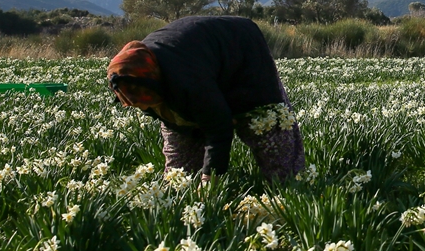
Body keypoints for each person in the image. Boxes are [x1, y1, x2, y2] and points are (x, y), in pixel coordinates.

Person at [107, 16, 304, 181]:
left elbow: (219, 130)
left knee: (268, 132)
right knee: (181, 172)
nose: (142, 106)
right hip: (200, 58)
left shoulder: (187, 82)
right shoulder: (131, 76)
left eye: (146, 101)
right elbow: (170, 120)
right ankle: (182, 197)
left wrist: (211, 179)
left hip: (243, 55)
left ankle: (288, 189)